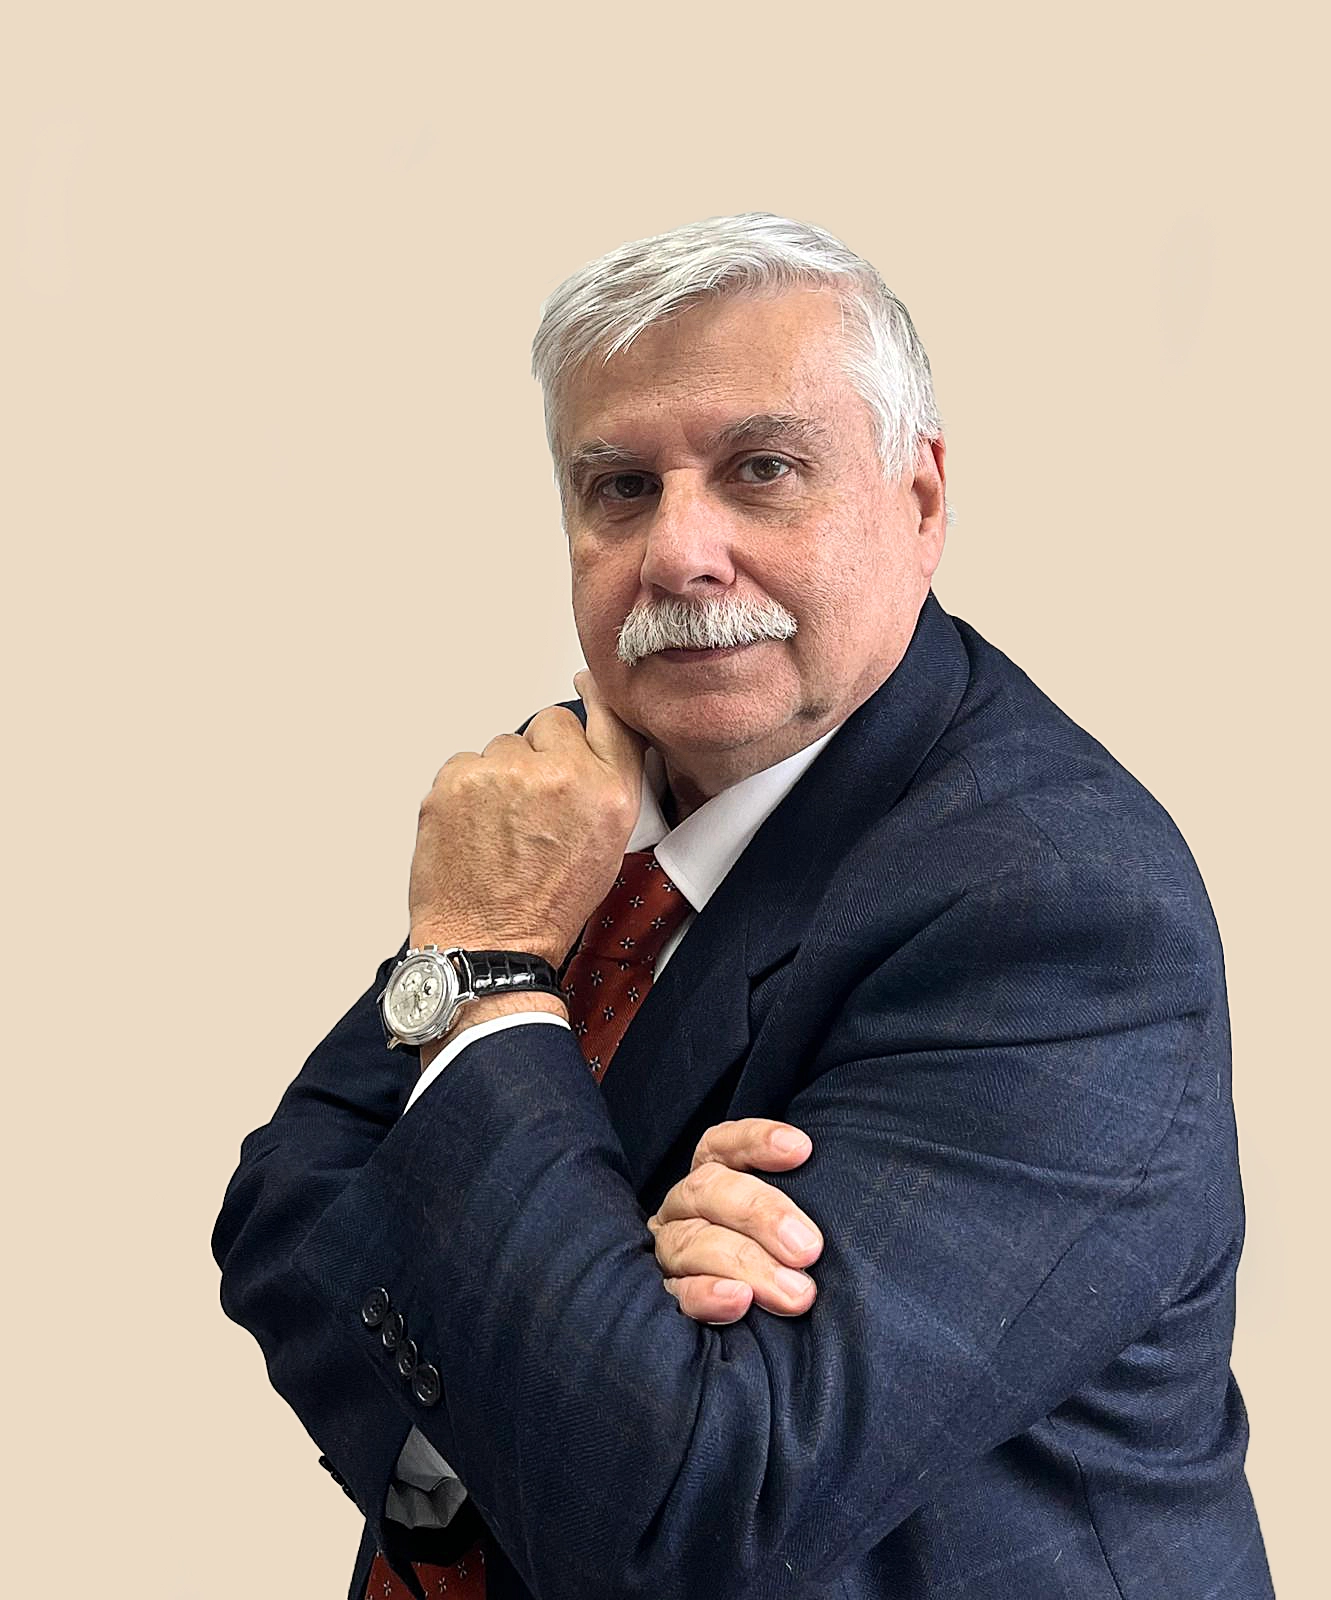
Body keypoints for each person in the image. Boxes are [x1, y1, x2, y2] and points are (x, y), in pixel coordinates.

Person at [212, 212, 1274, 1600]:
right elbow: (281, 1209)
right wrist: (560, 1374)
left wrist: (487, 981)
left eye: (762, 470)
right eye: (620, 487)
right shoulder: (569, 810)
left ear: (921, 501)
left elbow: (697, 1499)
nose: (680, 553)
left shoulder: (1060, 906)